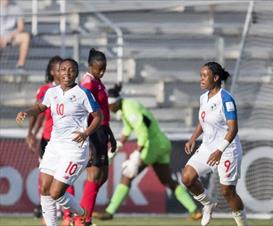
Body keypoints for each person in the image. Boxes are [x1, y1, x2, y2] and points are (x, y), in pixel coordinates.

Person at [93, 83, 202, 221]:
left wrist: (138, 153)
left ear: (115, 103)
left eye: (109, 106)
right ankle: (194, 210)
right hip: (162, 143)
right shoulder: (126, 106)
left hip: (151, 146)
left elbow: (143, 132)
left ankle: (109, 212)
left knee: (127, 175)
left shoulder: (129, 109)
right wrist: (120, 143)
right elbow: (128, 129)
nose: (108, 109)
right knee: (168, 180)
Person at [16, 58, 103, 226]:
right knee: (45, 190)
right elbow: (41, 107)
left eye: (71, 70)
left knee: (56, 193)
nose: (66, 73)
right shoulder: (52, 92)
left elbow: (99, 117)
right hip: (54, 146)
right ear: (58, 72)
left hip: (74, 148)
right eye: (63, 69)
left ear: (76, 73)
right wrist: (26, 112)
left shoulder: (83, 93)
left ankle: (80, 212)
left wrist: (86, 133)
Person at [181, 62, 249, 226]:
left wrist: (219, 151)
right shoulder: (204, 97)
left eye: (205, 76)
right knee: (187, 178)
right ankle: (208, 203)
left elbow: (233, 129)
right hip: (207, 147)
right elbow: (203, 120)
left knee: (227, 192)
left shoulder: (226, 99)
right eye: (201, 76)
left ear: (216, 78)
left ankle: (243, 224)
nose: (201, 79)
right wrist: (193, 138)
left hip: (227, 149)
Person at [74, 48, 117, 226]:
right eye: (98, 68)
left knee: (102, 176)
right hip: (93, 132)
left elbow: (104, 114)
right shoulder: (88, 83)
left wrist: (111, 135)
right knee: (94, 176)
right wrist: (88, 139)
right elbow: (82, 111)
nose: (102, 71)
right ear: (90, 66)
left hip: (103, 132)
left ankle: (82, 211)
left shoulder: (97, 82)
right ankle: (82, 219)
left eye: (104, 68)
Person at [0, 0, 30, 69]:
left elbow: (21, 27)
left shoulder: (17, 8)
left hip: (11, 36)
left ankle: (20, 65)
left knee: (25, 37)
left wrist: (10, 36)